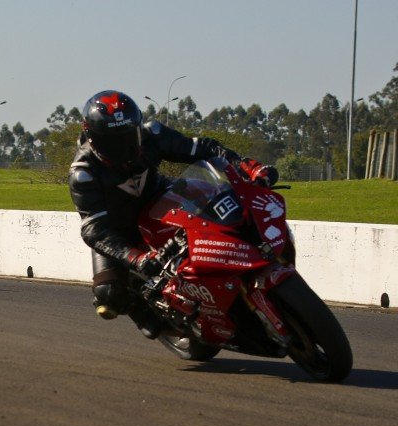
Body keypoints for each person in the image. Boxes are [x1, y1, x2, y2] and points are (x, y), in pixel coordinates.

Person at [68, 90, 277, 338]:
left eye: (129, 137)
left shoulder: (152, 134)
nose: (124, 148)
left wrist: (247, 166)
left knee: (226, 210)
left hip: (162, 201)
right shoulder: (83, 173)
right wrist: (135, 257)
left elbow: (203, 148)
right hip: (120, 230)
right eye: (113, 143)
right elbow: (94, 229)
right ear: (92, 138)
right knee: (108, 295)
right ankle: (145, 313)